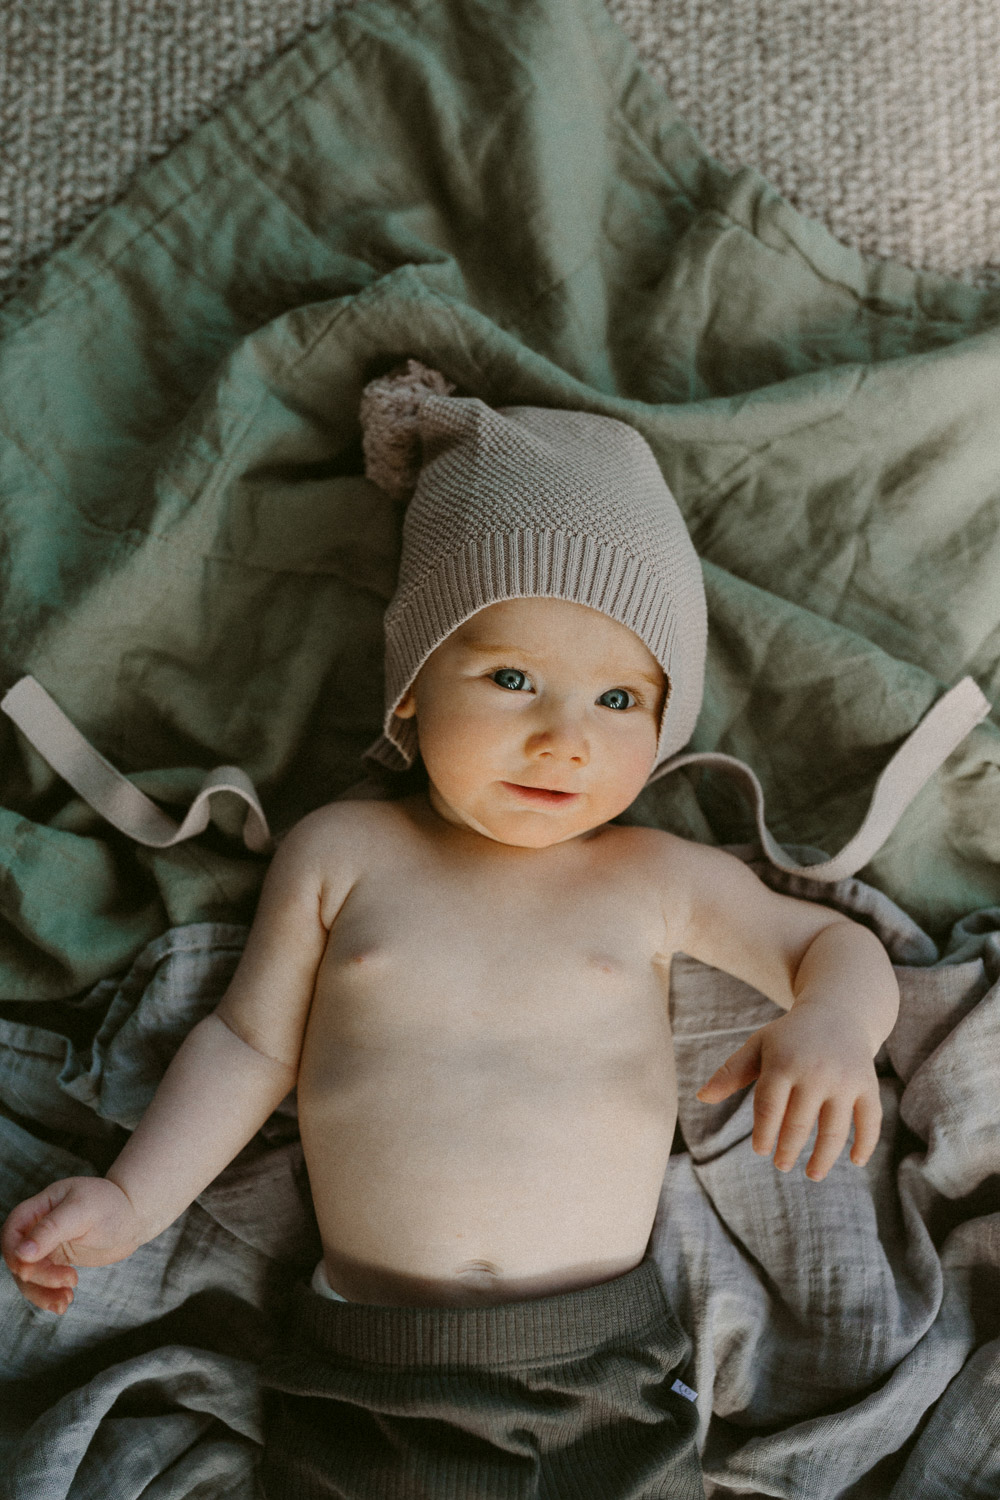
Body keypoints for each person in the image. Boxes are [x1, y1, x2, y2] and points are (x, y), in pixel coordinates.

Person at [1, 362, 899, 1499]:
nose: (564, 739)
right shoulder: (342, 853)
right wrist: (134, 1199)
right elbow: (247, 1047)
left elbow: (833, 946)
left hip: (605, 1363)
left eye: (619, 701)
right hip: (364, 1365)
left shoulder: (652, 876)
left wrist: (831, 1024)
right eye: (513, 677)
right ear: (414, 686)